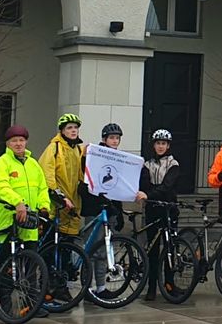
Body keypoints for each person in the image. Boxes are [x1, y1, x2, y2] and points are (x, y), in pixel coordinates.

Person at [0, 125, 49, 309]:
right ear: (8, 144)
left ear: (26, 142)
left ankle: (31, 305)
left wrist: (44, 206)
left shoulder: (33, 164)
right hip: (8, 221)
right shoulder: (2, 163)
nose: (19, 144)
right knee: (5, 265)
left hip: (29, 223)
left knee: (31, 266)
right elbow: (0, 186)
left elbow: (42, 188)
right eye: (14, 141)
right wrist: (17, 202)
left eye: (21, 140)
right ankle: (3, 304)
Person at [77, 124, 128, 300]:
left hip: (111, 210)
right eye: (112, 138)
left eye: (117, 138)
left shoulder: (118, 158)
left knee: (104, 252)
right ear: (105, 139)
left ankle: (100, 287)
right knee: (91, 251)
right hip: (95, 209)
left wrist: (119, 212)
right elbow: (88, 177)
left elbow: (118, 186)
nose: (115, 141)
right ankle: (87, 287)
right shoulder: (94, 155)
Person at [140, 128, 181, 301]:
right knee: (153, 250)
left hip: (169, 208)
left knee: (170, 248)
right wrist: (149, 194)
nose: (161, 147)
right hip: (152, 210)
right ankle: (151, 287)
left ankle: (169, 284)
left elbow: (167, 186)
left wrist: (150, 194)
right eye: (158, 143)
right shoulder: (147, 164)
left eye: (164, 144)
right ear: (154, 145)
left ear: (168, 146)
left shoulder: (173, 164)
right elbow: (144, 183)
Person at [38, 113, 85, 237]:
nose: (73, 130)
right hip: (57, 205)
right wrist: (58, 195)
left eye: (75, 127)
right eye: (69, 128)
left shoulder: (78, 149)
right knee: (51, 242)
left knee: (68, 244)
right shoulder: (54, 148)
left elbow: (81, 174)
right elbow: (46, 174)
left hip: (73, 204)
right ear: (62, 131)